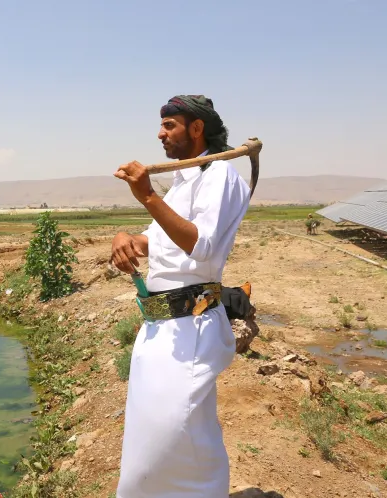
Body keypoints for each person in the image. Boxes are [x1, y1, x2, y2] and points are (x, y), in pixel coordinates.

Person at [110, 95, 252, 497]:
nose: (160, 133)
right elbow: (157, 243)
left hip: (191, 328)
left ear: (196, 129)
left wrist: (148, 198)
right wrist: (128, 240)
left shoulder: (221, 176)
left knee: (173, 440)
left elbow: (200, 245)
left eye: (169, 124)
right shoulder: (184, 182)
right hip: (159, 330)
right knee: (151, 443)